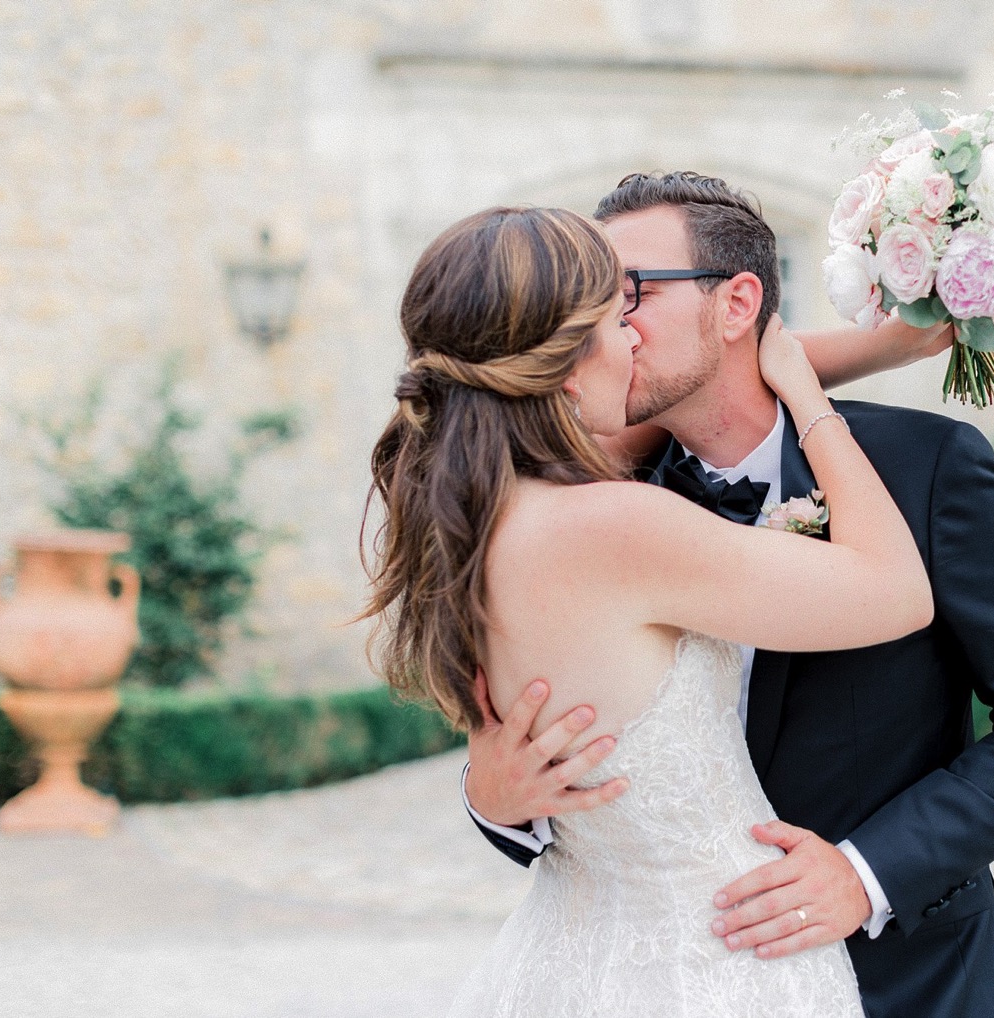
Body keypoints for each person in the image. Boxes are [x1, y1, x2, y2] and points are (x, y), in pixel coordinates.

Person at [463, 172, 994, 1018]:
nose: (598, 327)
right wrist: (495, 803)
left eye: (625, 292)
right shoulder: (592, 509)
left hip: (902, 979)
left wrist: (868, 871)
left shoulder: (926, 469)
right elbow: (534, 727)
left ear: (737, 305)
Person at [361, 204, 941, 1016]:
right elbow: (895, 594)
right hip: (712, 965)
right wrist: (811, 406)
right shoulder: (612, 526)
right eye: (613, 317)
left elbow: (702, 378)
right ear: (567, 366)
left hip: (572, 953)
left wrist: (885, 345)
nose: (635, 338)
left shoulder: (467, 513)